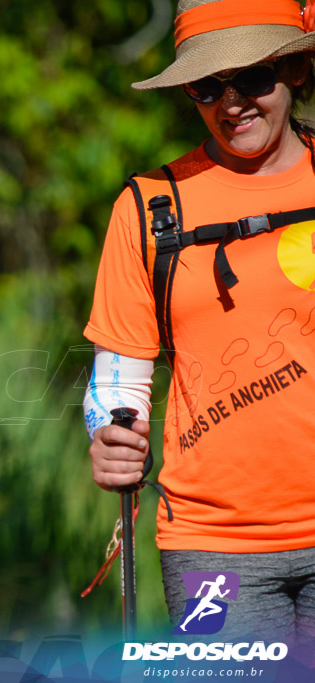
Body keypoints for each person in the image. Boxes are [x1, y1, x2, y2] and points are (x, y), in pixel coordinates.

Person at [84, 0, 315, 644]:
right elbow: (118, 381)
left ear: (295, 67)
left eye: (252, 77)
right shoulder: (150, 206)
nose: (231, 102)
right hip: (212, 547)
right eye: (207, 85)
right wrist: (107, 435)